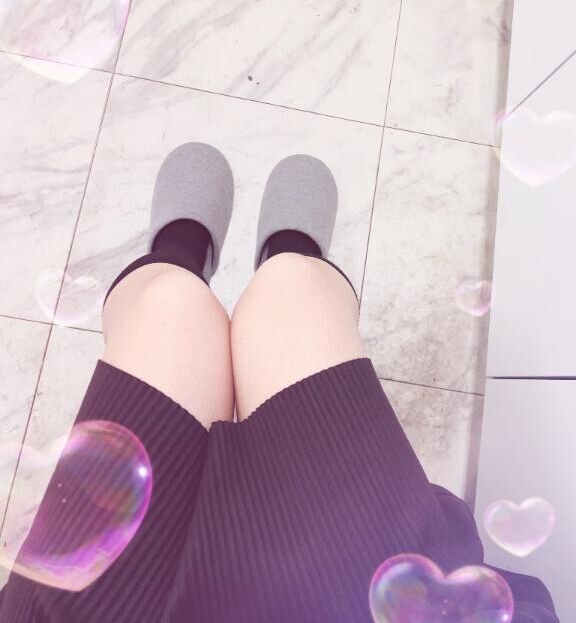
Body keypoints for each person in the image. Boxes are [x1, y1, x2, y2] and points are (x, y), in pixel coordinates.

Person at [0, 144, 559, 622]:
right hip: (359, 597)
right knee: (294, 298)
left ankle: (181, 252)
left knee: (167, 308)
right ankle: (288, 255)